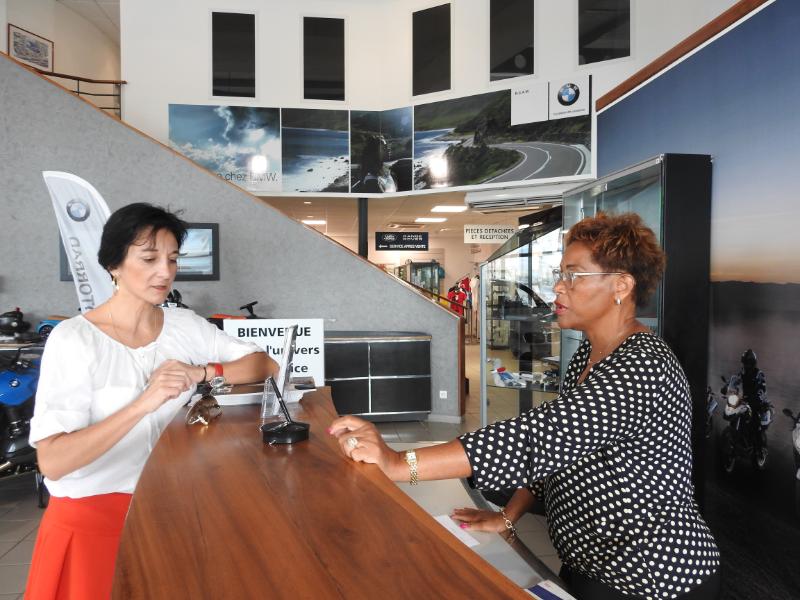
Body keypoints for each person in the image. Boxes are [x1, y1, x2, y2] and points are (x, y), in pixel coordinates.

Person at [329, 212, 721, 600]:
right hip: (591, 565)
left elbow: (535, 438)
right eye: (560, 274)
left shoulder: (642, 366)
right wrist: (507, 515)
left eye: (574, 275)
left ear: (621, 284)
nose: (559, 288)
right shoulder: (589, 355)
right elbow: (557, 456)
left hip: (651, 578)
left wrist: (400, 463)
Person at [26, 203, 278, 599]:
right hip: (94, 524)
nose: (165, 271)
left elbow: (266, 364)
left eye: (172, 259)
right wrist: (144, 403)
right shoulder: (75, 339)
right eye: (149, 258)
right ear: (114, 264)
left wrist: (202, 372)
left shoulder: (183, 325)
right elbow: (53, 461)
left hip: (173, 509)